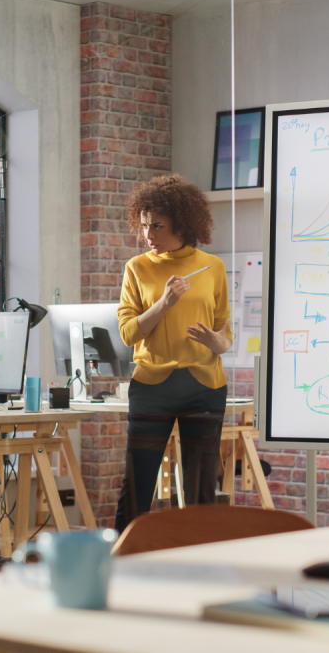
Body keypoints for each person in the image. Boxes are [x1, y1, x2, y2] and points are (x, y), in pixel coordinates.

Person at [114, 174, 233, 532]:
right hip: (153, 386)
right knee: (138, 484)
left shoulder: (212, 267)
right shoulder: (137, 268)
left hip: (205, 386)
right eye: (144, 225)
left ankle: (200, 561)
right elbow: (128, 333)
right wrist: (164, 303)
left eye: (157, 226)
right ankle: (122, 559)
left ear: (181, 224)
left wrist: (217, 343)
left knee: (201, 489)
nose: (148, 234)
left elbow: (225, 334)